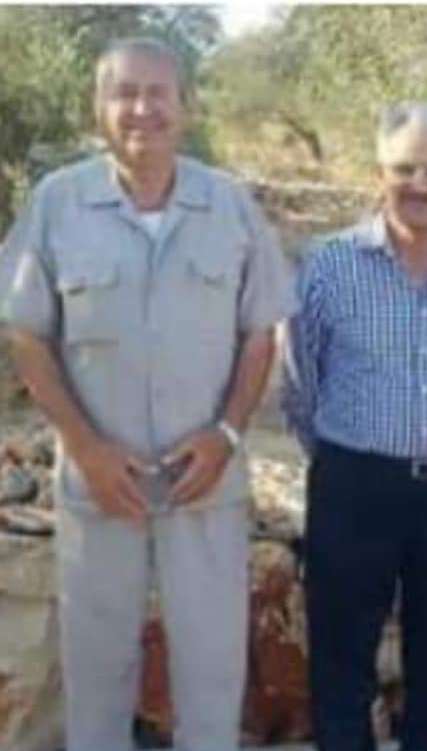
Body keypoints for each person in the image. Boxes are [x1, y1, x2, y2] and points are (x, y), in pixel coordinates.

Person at [0, 38, 294, 751]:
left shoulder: (228, 205)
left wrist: (227, 435)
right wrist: (86, 450)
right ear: (98, 108)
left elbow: (260, 333)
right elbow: (28, 336)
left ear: (186, 106)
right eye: (124, 93)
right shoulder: (57, 203)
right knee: (97, 671)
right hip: (99, 485)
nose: (142, 109)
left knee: (213, 673)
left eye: (158, 93)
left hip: (206, 484)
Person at [283, 101, 427, 751]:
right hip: (353, 485)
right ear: (379, 173)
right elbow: (299, 380)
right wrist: (341, 457)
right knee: (342, 658)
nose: (419, 184)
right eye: (404, 169)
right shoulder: (329, 265)